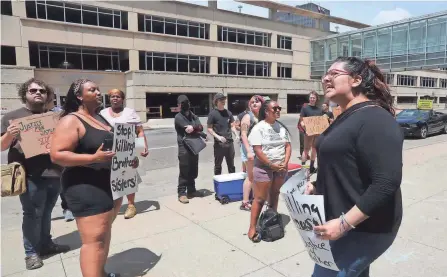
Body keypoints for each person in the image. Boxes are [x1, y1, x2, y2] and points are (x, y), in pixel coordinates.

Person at [306, 57, 403, 277]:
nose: (326, 79)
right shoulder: (345, 116)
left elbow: (386, 183)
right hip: (340, 224)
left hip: (363, 229)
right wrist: (316, 185)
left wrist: (343, 224)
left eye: (334, 74)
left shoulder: (376, 118)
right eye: (325, 75)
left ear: (356, 79)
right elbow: (346, 167)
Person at [50, 79, 127, 277]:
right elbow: (57, 155)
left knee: (103, 234)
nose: (98, 92)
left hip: (108, 182)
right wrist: (94, 158)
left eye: (98, 89)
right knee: (93, 241)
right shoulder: (71, 120)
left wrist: (127, 159)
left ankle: (100, 272)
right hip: (85, 185)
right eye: (92, 90)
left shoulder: (100, 118)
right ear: (79, 96)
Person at [0, 78, 70, 270]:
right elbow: (2, 146)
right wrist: (10, 134)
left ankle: (46, 244)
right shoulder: (11, 117)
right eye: (33, 90)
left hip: (54, 173)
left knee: (47, 212)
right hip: (29, 175)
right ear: (25, 94)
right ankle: (31, 253)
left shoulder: (54, 117)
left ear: (47, 95)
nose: (38, 93)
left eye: (41, 90)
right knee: (32, 214)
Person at [247, 99, 291, 242]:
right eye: (275, 108)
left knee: (275, 194)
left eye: (279, 108)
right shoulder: (258, 128)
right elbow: (257, 150)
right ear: (266, 111)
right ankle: (252, 227)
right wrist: (270, 164)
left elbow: (288, 146)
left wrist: (284, 162)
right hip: (264, 168)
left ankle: (272, 220)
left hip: (280, 167)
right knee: (259, 199)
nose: (278, 110)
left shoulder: (282, 127)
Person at [100, 89, 149, 219]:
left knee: (128, 177)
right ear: (109, 99)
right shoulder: (102, 113)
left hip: (127, 151)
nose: (115, 99)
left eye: (117, 96)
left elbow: (139, 131)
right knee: (110, 178)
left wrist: (143, 147)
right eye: (112, 97)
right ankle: (112, 204)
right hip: (109, 152)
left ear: (122, 99)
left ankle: (131, 205)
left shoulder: (130, 113)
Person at [174, 95, 206, 204]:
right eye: (181, 103)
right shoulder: (178, 117)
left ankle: (191, 190)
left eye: (186, 102)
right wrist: (195, 128)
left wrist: (195, 127)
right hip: (184, 147)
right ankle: (182, 193)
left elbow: (200, 127)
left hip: (194, 145)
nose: (184, 105)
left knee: (193, 169)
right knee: (184, 170)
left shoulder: (193, 115)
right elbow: (189, 130)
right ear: (178, 105)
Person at [239, 95, 264, 211]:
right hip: (249, 150)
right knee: (250, 177)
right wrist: (249, 151)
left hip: (257, 150)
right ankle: (244, 202)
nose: (254, 103)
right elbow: (243, 134)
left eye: (257, 102)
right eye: (252, 102)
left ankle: (255, 198)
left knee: (255, 176)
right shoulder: (247, 117)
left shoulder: (260, 117)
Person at [207, 93, 238, 175]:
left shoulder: (228, 113)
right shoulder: (212, 114)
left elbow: (232, 126)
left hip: (229, 143)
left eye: (224, 99)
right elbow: (209, 128)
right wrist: (218, 137)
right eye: (221, 100)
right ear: (216, 101)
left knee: (231, 165)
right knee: (218, 166)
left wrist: (236, 134)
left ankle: (232, 184)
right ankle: (218, 186)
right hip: (219, 144)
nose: (223, 101)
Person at [299, 91, 323, 173]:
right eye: (311, 97)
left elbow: (320, 122)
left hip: (317, 133)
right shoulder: (305, 108)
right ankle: (303, 168)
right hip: (308, 132)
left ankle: (312, 167)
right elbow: (301, 122)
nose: (312, 99)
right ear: (309, 98)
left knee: (314, 149)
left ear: (316, 99)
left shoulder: (319, 110)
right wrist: (306, 129)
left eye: (314, 98)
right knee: (306, 150)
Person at [235, 101, 249, 172]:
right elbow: (236, 125)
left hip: (253, 141)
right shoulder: (241, 115)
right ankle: (244, 172)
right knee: (245, 158)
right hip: (244, 140)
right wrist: (244, 129)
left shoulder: (255, 115)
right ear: (247, 108)